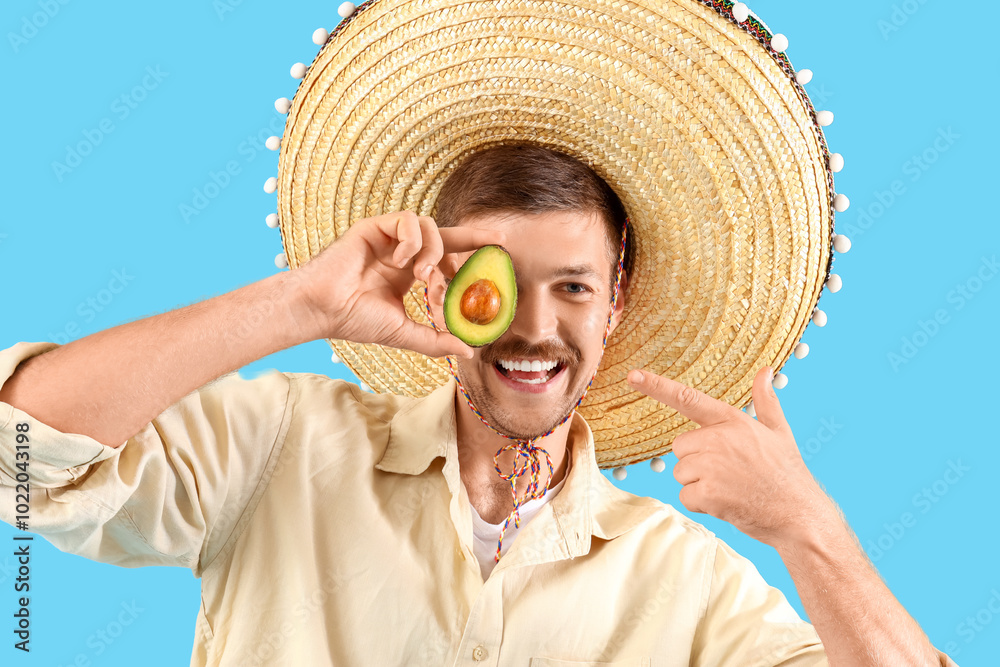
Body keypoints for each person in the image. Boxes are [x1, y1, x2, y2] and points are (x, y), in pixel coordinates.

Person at [0, 0, 959, 664]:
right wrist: (297, 305)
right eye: (496, 284)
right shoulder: (279, 448)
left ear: (615, 303)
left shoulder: (689, 580)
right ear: (436, 285)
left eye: (573, 286)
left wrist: (809, 527)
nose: (535, 328)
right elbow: (16, 457)